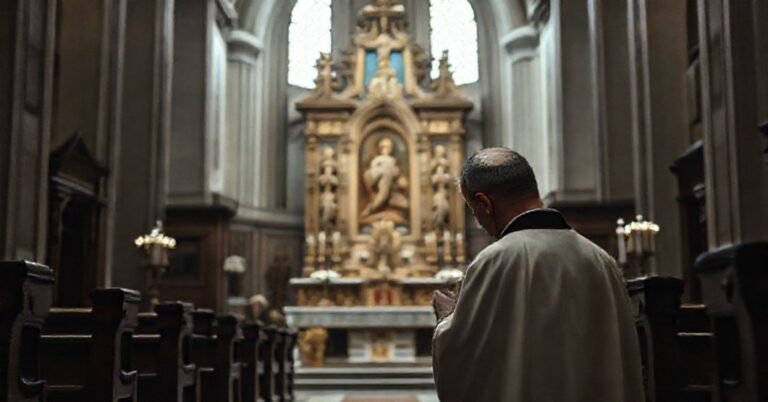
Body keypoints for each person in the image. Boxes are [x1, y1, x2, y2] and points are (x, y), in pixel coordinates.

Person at [432, 148, 644, 402]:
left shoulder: (493, 262)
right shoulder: (601, 260)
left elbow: (464, 362)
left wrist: (447, 319)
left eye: (473, 209)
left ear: (485, 203)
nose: (478, 221)